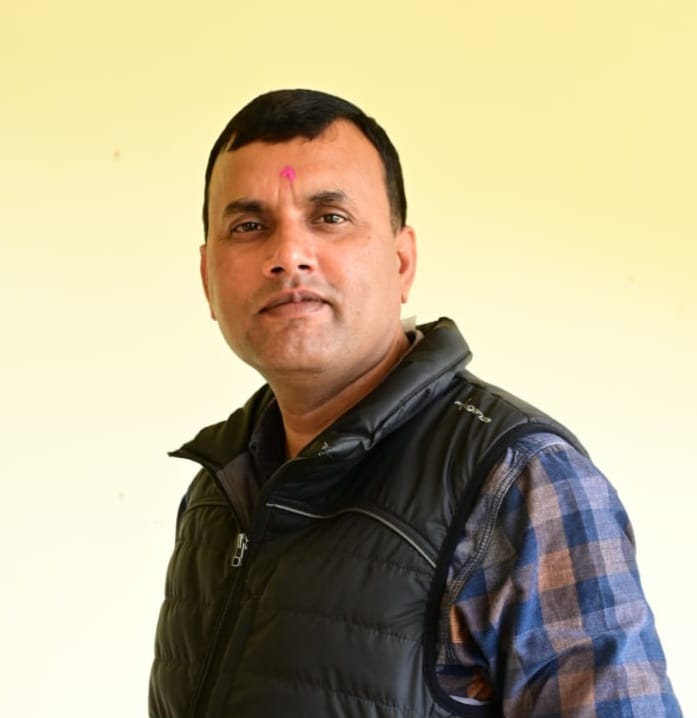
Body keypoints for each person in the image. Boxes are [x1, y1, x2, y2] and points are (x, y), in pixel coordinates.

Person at [149, 89, 681, 717]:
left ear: (402, 262)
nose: (288, 254)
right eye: (249, 227)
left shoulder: (521, 482)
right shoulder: (221, 489)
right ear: (208, 279)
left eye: (330, 218)